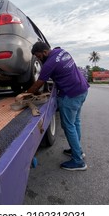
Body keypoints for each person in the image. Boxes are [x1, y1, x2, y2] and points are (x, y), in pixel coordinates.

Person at [26, 42, 89, 171]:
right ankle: (77, 150)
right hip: (82, 90)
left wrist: (26, 94)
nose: (38, 59)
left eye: (38, 56)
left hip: (70, 95)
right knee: (75, 122)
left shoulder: (50, 63)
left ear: (44, 52)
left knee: (68, 126)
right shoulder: (61, 52)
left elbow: (39, 83)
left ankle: (78, 161)